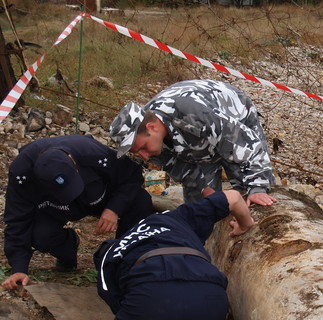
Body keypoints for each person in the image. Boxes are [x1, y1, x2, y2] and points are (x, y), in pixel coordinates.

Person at [2, 135, 153, 290]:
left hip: (98, 198)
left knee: (140, 201)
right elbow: (17, 221)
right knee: (40, 234)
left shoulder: (92, 152)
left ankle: (125, 260)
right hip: (54, 209)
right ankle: (68, 247)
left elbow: (132, 176)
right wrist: (19, 269)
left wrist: (114, 209)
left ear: (71, 160)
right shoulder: (21, 175)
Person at [109, 79, 277, 207]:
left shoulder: (191, 113)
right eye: (137, 152)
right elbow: (180, 168)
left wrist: (258, 188)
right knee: (201, 208)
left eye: (143, 148)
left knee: (250, 196)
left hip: (234, 120)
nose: (144, 156)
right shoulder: (150, 138)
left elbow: (250, 147)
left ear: (152, 127)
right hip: (198, 140)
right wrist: (205, 189)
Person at [94, 187, 254, 320]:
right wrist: (245, 225)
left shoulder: (112, 251)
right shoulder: (179, 217)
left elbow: (111, 294)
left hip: (152, 295)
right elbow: (233, 197)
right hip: (209, 292)